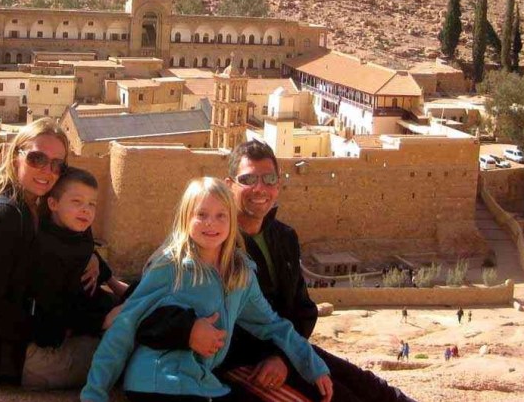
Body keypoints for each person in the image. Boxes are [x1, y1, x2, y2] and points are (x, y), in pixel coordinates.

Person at [133, 141, 413, 402]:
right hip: (241, 363)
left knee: (375, 390)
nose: (260, 188)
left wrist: (284, 356)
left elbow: (302, 310)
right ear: (229, 185)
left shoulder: (284, 238)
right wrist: (188, 330)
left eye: (269, 179)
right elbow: (143, 307)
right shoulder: (211, 242)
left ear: (278, 185)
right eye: (248, 179)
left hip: (286, 351)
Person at [80, 177, 333, 402]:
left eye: (220, 215)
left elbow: (272, 324)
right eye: (201, 215)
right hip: (158, 379)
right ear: (186, 219)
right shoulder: (172, 266)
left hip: (201, 382)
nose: (211, 224)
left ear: (231, 220)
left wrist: (314, 366)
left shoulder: (240, 272)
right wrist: (95, 392)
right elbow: (125, 324)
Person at [0, 118, 96, 386]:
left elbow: (68, 228)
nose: (47, 170)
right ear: (15, 155)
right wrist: (43, 332)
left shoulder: (29, 205)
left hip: (15, 344)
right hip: (4, 356)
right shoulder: (3, 216)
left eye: (57, 164)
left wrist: (92, 256)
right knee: (118, 355)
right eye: (37, 158)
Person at [26, 166, 129, 389]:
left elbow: (84, 252)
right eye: (77, 202)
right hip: (62, 332)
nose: (86, 210)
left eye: (92, 204)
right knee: (129, 347)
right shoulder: (46, 252)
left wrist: (113, 283)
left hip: (89, 305)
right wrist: (102, 321)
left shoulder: (77, 229)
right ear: (53, 204)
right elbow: (51, 316)